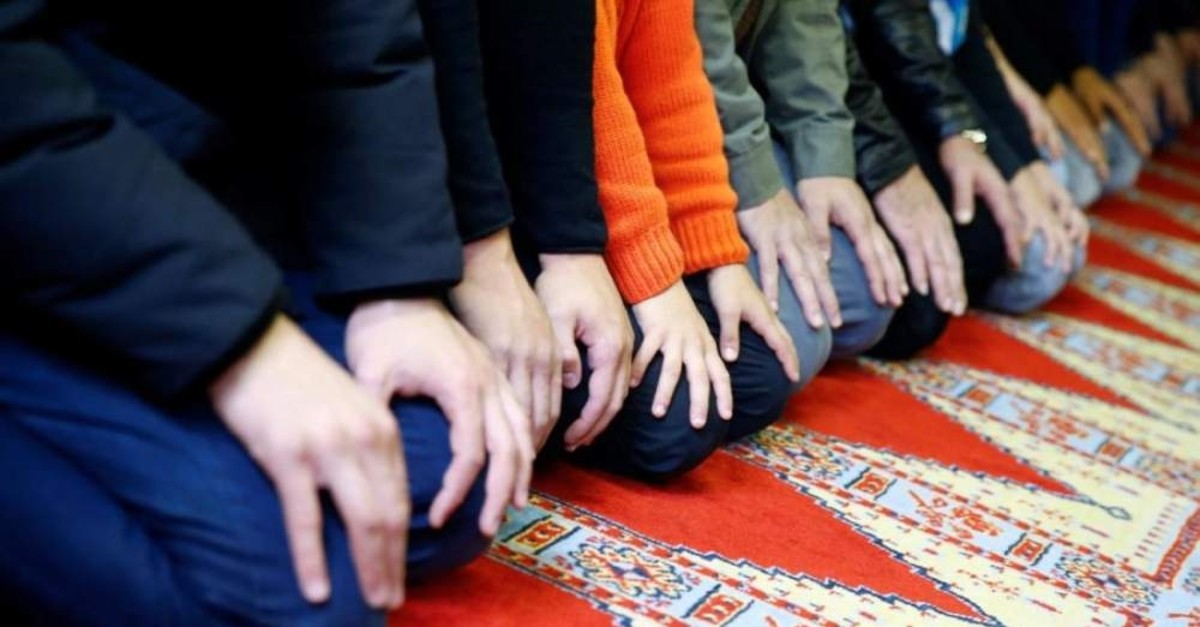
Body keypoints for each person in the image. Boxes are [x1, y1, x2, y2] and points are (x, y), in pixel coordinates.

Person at [0, 0, 533, 623]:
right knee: (303, 596)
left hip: (172, 180)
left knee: (454, 477)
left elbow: (359, 26)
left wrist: (397, 290)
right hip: (37, 206)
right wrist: (243, 342)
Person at [565, 0, 803, 481]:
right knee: (673, 428)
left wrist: (717, 255)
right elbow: (583, 100)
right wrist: (652, 280)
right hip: (529, 211)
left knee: (758, 375)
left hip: (593, 204)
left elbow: (669, 84)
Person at [848, 0, 1088, 358]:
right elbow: (891, 54)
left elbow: (968, 46)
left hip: (916, 93)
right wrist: (894, 168)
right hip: (860, 101)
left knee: (1051, 227)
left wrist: (1023, 165)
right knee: (914, 311)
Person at [694, 0, 907, 374]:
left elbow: (807, 21)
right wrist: (755, 182)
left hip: (732, 112)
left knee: (863, 306)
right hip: (666, 119)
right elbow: (691, 45)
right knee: (787, 354)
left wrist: (825, 159)